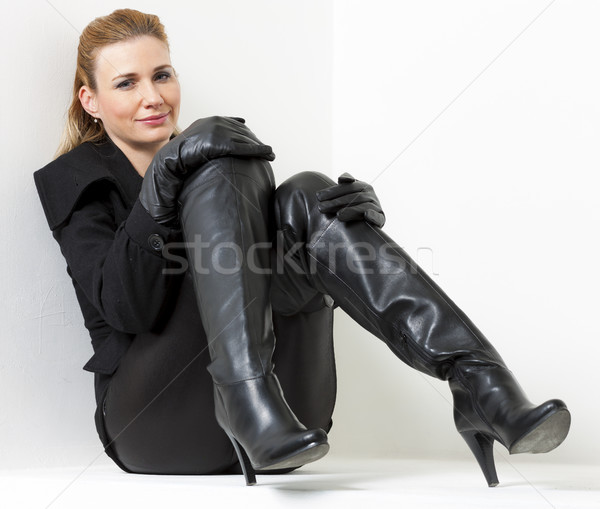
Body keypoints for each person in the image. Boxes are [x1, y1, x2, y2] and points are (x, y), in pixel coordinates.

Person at [34, 9, 570, 487]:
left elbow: (285, 239)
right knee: (220, 151)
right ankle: (244, 395)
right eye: (126, 83)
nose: (152, 96)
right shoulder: (76, 178)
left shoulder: (199, 159)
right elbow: (125, 310)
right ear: (91, 100)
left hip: (289, 416)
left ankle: (478, 381)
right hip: (153, 419)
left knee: (308, 194)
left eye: (162, 74)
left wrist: (347, 229)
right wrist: (166, 178)